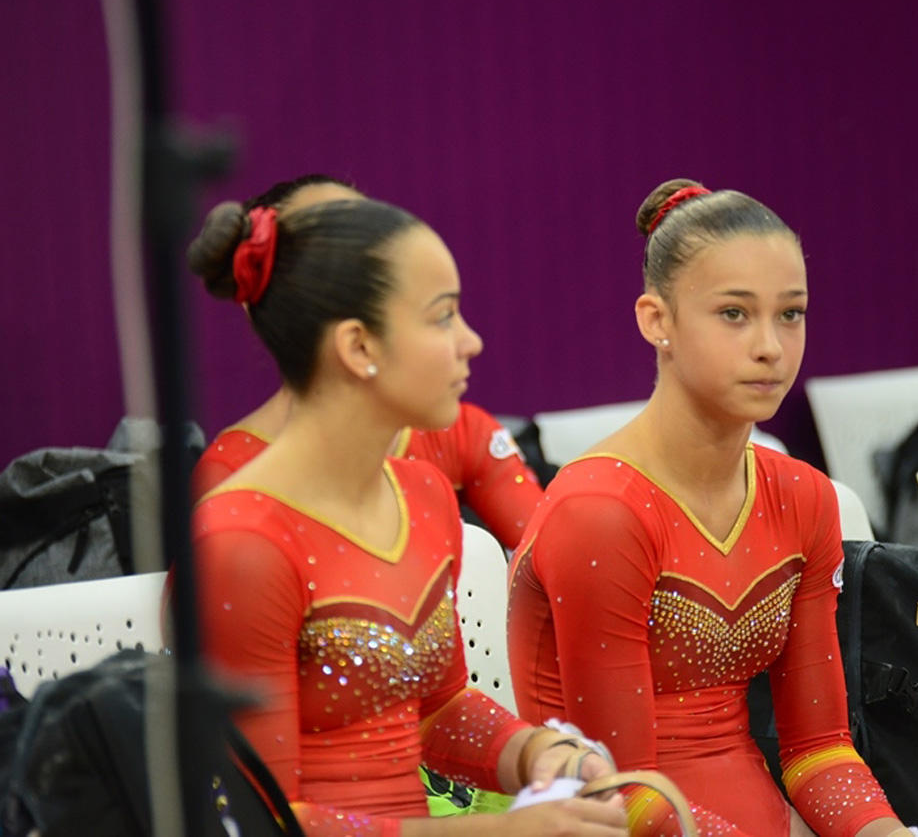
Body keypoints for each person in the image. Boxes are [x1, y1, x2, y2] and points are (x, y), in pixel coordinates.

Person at [186, 194, 627, 836]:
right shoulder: (241, 542)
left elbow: (435, 710)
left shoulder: (422, 494)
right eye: (443, 316)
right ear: (359, 345)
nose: (471, 341)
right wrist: (500, 832)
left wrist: (534, 752)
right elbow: (267, 822)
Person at [507, 179, 911, 837]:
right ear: (656, 320)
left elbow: (820, 752)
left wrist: (887, 834)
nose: (770, 348)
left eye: (791, 313)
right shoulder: (601, 514)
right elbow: (623, 792)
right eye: (734, 313)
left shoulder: (804, 497)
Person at [190, 175, 543, 551]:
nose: (471, 342)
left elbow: (551, 567)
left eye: (367, 233)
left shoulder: (447, 450)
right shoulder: (233, 485)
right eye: (323, 259)